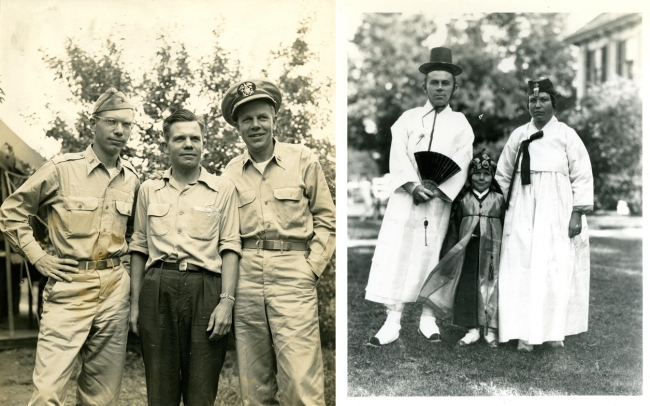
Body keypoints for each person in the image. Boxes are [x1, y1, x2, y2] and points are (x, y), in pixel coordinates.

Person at [0, 88, 139, 405]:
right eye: (112, 122)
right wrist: (38, 257)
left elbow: (135, 235)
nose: (120, 131)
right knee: (48, 392)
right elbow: (10, 213)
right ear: (94, 124)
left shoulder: (132, 178)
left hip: (115, 290)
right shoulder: (62, 169)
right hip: (69, 285)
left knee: (101, 396)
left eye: (127, 125)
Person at [220, 79, 336, 405]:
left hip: (293, 274)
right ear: (238, 127)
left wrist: (311, 268)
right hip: (247, 280)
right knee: (254, 385)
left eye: (261, 117)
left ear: (274, 120)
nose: (255, 125)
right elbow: (225, 232)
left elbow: (328, 220)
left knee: (301, 381)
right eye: (247, 120)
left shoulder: (302, 159)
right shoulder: (229, 174)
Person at [128, 109, 241, 405]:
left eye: (195, 138)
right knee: (160, 390)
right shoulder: (149, 190)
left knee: (201, 391)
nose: (188, 144)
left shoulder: (223, 189)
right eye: (180, 138)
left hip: (205, 290)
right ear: (167, 146)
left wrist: (226, 303)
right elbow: (138, 248)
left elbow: (230, 247)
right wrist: (135, 304)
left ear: (204, 144)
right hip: (157, 289)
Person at [365, 47, 474, 346]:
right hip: (407, 198)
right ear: (424, 85)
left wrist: (438, 190)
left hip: (439, 202)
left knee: (432, 254)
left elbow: (462, 162)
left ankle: (428, 317)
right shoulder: (407, 119)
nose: (440, 88)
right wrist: (413, 186)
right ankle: (393, 320)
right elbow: (397, 157)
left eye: (446, 83)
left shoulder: (461, 124)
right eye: (434, 82)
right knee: (399, 252)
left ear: (454, 87)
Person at [495, 78, 593, 352]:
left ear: (553, 103)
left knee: (553, 265)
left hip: (555, 209)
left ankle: (552, 330)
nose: (536, 105)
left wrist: (577, 214)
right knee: (521, 263)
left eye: (543, 100)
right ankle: (522, 331)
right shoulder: (518, 135)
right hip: (522, 208)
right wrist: (496, 207)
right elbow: (503, 174)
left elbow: (582, 176)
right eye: (532, 100)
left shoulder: (566, 135)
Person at [418, 150, 504, 347]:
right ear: (470, 175)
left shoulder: (499, 199)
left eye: (486, 174)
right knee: (468, 287)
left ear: (492, 176)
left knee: (491, 286)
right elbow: (454, 227)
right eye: (477, 173)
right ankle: (471, 329)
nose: (481, 178)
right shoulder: (463, 199)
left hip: (493, 253)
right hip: (468, 253)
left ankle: (490, 330)